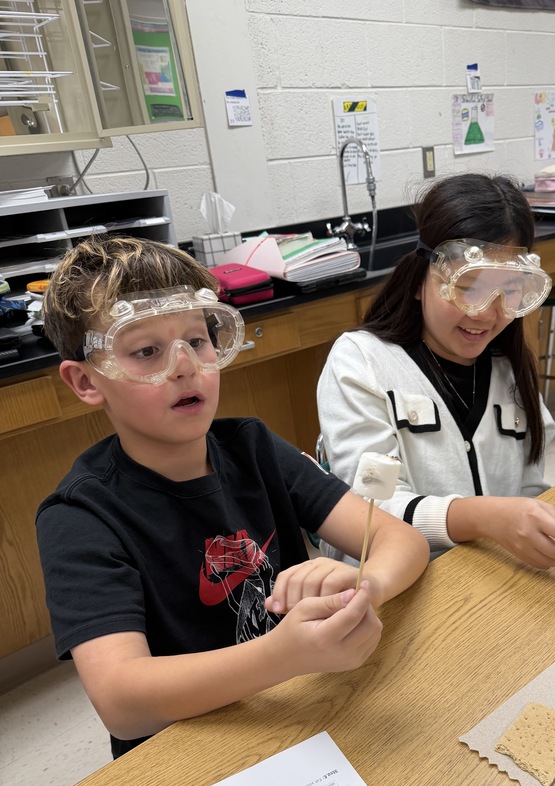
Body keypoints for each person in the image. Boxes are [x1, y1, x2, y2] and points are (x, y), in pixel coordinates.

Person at [36, 236, 429, 758]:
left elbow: (401, 539)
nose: (184, 367)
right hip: (188, 752)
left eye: (197, 341)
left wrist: (366, 586)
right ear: (87, 380)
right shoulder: (80, 517)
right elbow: (122, 702)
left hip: (298, 713)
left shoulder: (253, 447)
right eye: (146, 351)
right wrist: (281, 656)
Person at [317, 172, 555, 568]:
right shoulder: (362, 362)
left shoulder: (507, 371)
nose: (487, 312)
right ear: (418, 281)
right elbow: (368, 510)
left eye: (510, 290)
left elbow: (529, 488)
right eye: (469, 286)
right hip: (400, 592)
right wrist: (483, 518)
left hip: (490, 584)